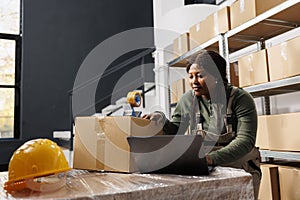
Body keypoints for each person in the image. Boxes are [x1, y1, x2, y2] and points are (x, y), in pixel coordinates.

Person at [143, 50, 261, 199]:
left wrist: (212, 158)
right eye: (191, 76)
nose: (194, 82)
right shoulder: (188, 100)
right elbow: (176, 130)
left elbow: (245, 140)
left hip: (240, 168)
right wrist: (161, 120)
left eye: (200, 75)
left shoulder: (240, 99)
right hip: (206, 169)